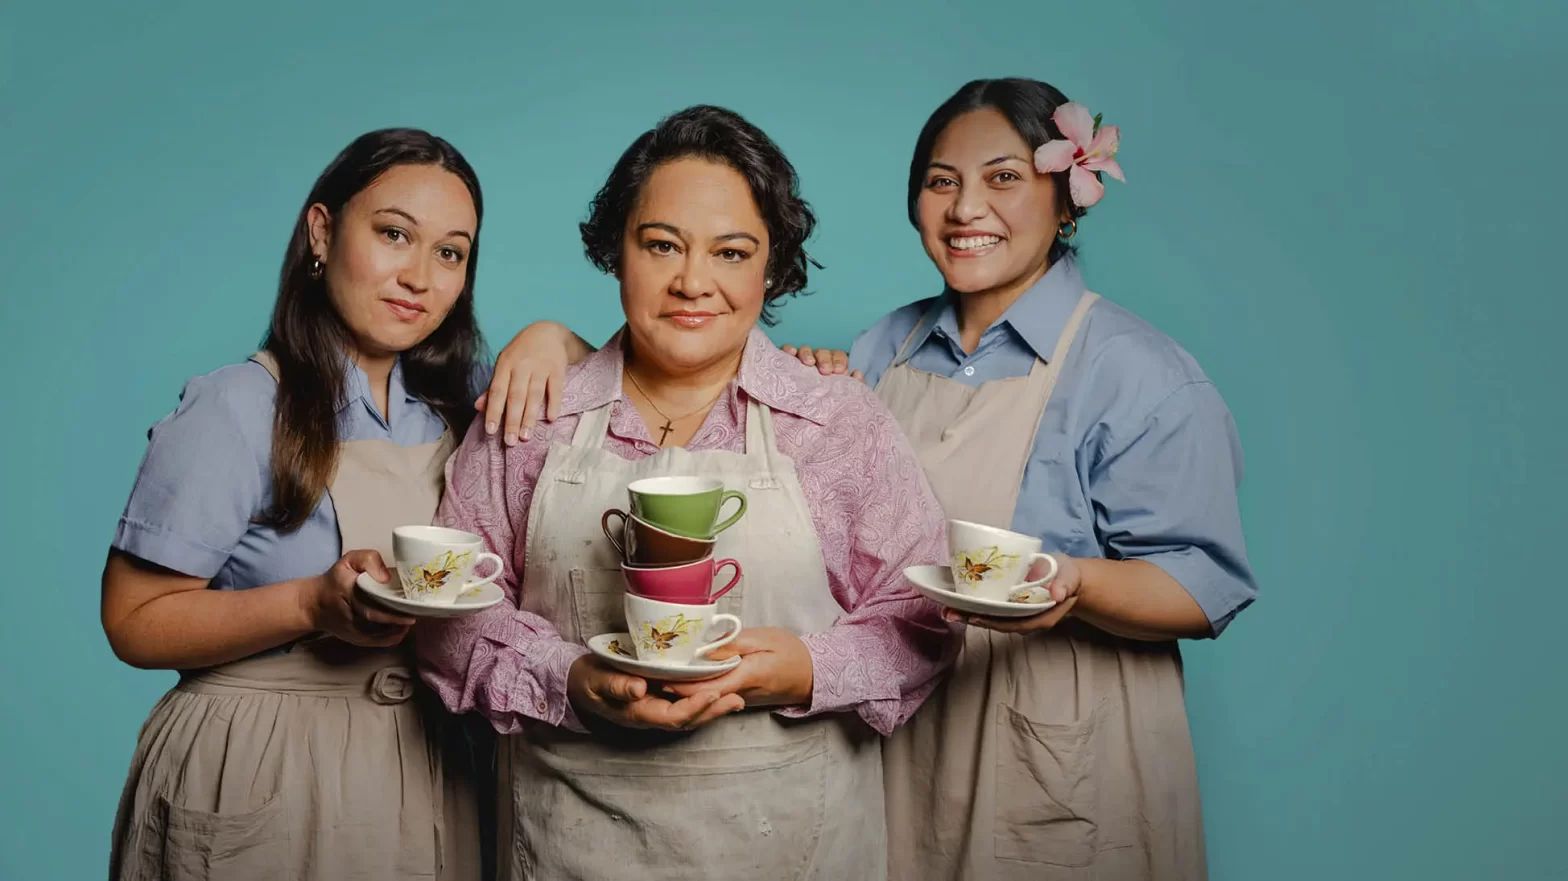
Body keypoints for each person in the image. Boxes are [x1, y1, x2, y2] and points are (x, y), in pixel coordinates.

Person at [492, 78, 1258, 880]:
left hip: (1056, 728)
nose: (965, 208)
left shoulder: (1136, 371)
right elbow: (690, 353)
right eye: (940, 180)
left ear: (1067, 201)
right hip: (899, 750)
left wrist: (1066, 580)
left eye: (1002, 177)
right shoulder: (877, 351)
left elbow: (1204, 585)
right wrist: (561, 342)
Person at [415, 104, 955, 881]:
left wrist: (806, 667)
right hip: (570, 841)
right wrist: (566, 677)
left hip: (795, 846)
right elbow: (446, 618)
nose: (692, 282)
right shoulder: (532, 414)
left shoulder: (836, 421)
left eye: (731, 252)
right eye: (661, 244)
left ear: (771, 267)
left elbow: (924, 619)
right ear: (616, 252)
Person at [102, 128, 494, 881]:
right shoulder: (240, 406)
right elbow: (132, 618)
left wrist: (551, 339)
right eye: (392, 235)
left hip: (432, 761)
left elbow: (608, 374)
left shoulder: (457, 404)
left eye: (450, 252)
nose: (419, 275)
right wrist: (313, 604)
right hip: (262, 764)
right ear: (322, 232)